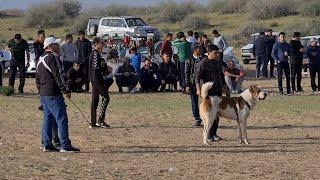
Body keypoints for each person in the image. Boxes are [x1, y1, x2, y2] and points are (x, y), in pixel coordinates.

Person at [36, 37, 79, 152]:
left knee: (48, 118)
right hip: (53, 93)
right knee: (62, 118)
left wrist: (40, 93)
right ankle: (65, 145)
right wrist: (66, 90)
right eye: (56, 44)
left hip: (43, 94)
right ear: (49, 46)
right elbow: (59, 76)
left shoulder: (40, 58)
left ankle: (47, 144)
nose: (58, 46)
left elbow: (37, 79)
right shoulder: (53, 57)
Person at [195, 45, 226, 142]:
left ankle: (214, 134)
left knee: (217, 113)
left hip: (218, 90)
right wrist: (198, 89)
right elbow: (197, 77)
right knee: (209, 115)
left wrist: (225, 86)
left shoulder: (218, 62)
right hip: (209, 93)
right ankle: (208, 135)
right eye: (215, 53)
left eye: (218, 52)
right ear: (209, 53)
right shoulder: (203, 63)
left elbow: (221, 75)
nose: (217, 54)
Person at [89, 37, 111, 128]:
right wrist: (103, 72)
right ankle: (100, 120)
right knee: (106, 98)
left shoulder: (98, 54)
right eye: (101, 43)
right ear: (97, 44)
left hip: (96, 79)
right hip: (96, 79)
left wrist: (106, 70)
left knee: (95, 100)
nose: (103, 44)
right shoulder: (95, 54)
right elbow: (95, 69)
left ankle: (93, 122)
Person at [185, 42, 203, 126]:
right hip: (192, 84)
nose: (201, 49)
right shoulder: (188, 60)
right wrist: (187, 85)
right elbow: (186, 73)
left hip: (203, 83)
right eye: (199, 48)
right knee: (194, 102)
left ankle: (206, 117)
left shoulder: (204, 58)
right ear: (195, 50)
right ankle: (197, 118)